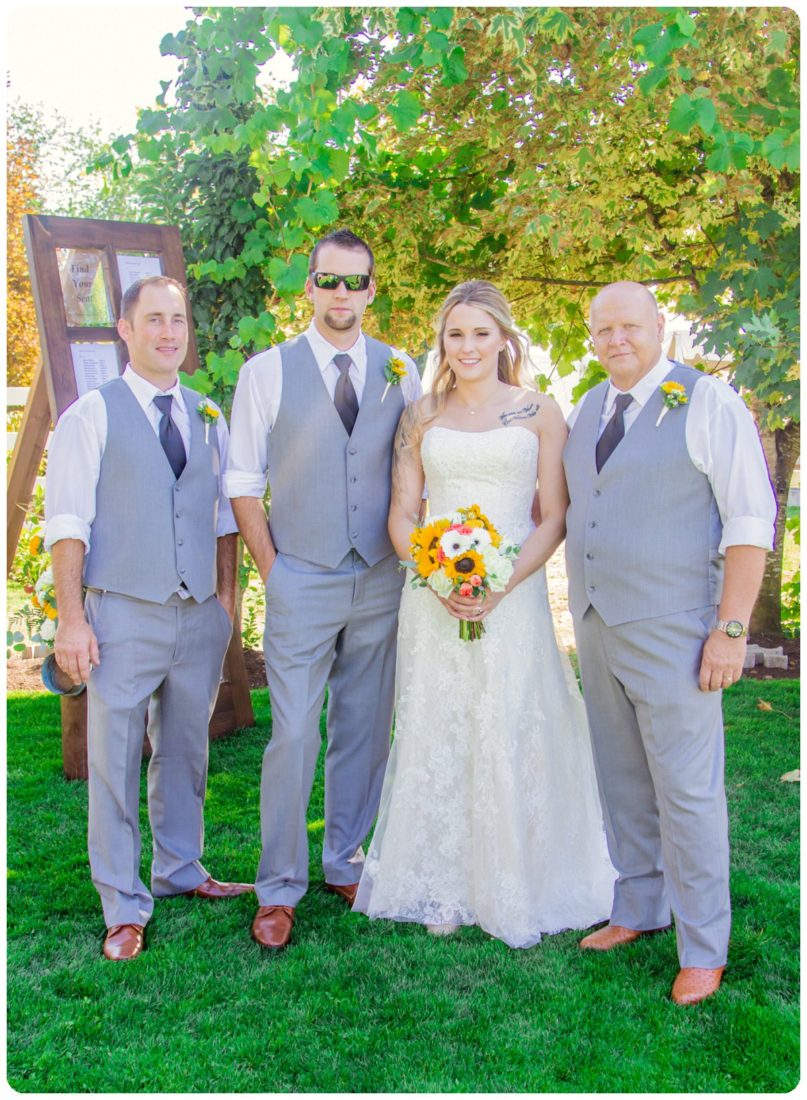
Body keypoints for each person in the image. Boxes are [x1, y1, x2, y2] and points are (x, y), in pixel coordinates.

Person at [353, 280, 616, 948]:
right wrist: (432, 574)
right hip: (434, 593)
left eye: (479, 333)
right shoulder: (421, 413)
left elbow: (552, 514)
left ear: (503, 339)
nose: (466, 346)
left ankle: (519, 874)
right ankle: (441, 878)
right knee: (440, 721)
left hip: (514, 590)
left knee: (509, 714)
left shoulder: (538, 411)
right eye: (454, 334)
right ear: (441, 341)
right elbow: (402, 511)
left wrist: (501, 584)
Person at [563, 280, 776, 1005]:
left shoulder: (706, 401)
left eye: (629, 326)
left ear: (660, 327)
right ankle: (638, 906)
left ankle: (703, 944)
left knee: (686, 791)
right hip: (595, 624)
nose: (615, 339)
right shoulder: (588, 407)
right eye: (602, 329)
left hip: (678, 630)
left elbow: (749, 521)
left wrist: (729, 630)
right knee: (620, 778)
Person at [46, 275, 252, 962]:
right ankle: (121, 903)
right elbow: (68, 524)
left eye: (179, 320)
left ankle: (179, 869)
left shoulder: (208, 414)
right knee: (113, 759)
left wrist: (225, 603)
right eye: (154, 320)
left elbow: (223, 514)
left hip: (197, 615)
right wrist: (72, 620)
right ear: (126, 331)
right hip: (121, 613)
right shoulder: (91, 415)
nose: (169, 332)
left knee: (187, 751)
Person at [225, 229, 422, 949]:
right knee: (293, 733)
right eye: (328, 280)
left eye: (355, 281)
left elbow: (418, 466)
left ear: (372, 289)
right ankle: (278, 886)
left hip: (378, 574)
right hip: (300, 574)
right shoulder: (266, 373)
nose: (341, 294)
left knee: (364, 728)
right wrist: (273, 567)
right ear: (307, 287)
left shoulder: (403, 367)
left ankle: (344, 857)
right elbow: (242, 480)